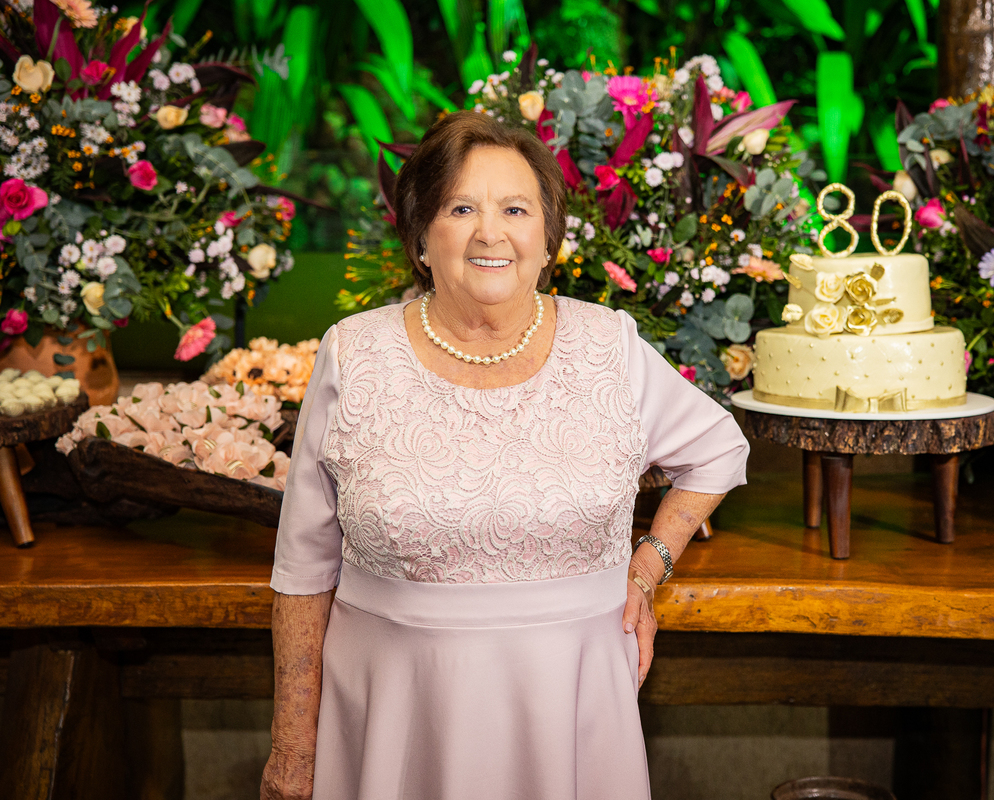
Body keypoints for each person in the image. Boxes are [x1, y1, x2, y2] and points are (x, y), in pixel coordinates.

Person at [261, 111, 749, 800]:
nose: (490, 233)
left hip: (571, 705)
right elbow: (303, 569)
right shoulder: (353, 353)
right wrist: (291, 745)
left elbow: (719, 448)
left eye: (515, 210)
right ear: (421, 235)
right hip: (398, 714)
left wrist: (648, 568)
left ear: (547, 240)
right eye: (461, 208)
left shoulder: (608, 345)